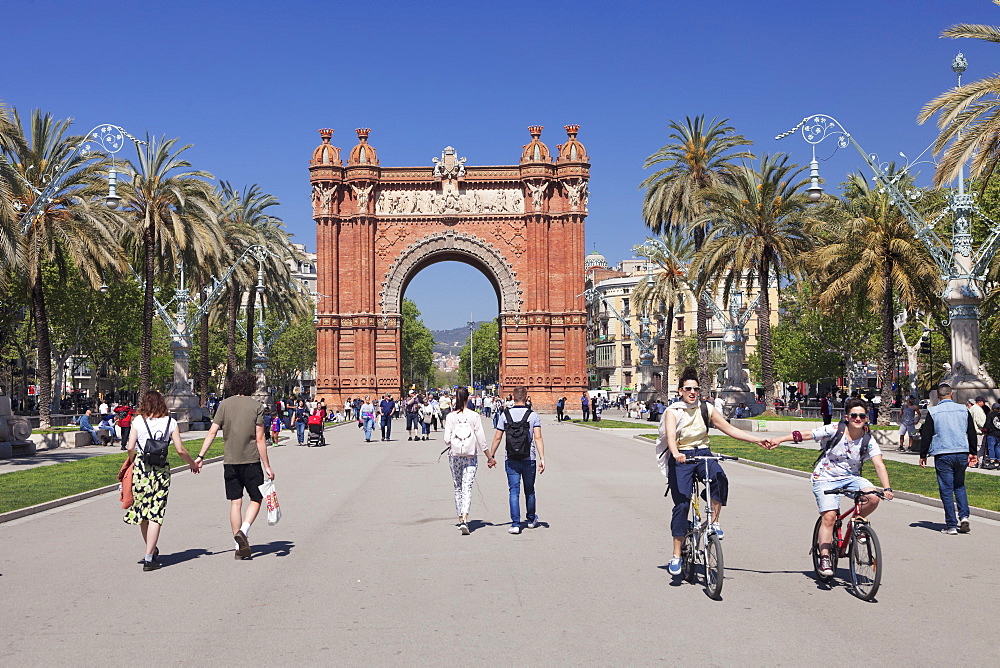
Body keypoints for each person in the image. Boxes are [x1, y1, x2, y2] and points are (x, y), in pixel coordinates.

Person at [656, 367, 773, 576]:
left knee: (720, 479)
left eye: (696, 389)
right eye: (688, 389)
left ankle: (714, 520)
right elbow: (671, 437)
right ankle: (676, 555)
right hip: (682, 456)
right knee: (682, 506)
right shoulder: (673, 411)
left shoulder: (706, 408)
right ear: (681, 391)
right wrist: (675, 453)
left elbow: (730, 429)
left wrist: (758, 440)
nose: (692, 392)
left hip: (703, 453)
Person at [769, 398, 894, 578]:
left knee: (873, 497)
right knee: (829, 517)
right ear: (847, 417)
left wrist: (887, 488)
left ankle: (857, 522)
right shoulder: (835, 430)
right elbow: (806, 435)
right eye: (854, 415)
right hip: (825, 478)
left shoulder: (868, 439)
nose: (858, 419)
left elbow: (879, 464)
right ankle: (825, 557)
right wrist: (780, 439)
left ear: (866, 418)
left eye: (862, 416)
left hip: (851, 478)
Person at [194, 370, 275, 560]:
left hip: (230, 461)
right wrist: (267, 466)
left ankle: (236, 546)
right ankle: (244, 532)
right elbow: (260, 438)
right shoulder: (257, 406)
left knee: (235, 502)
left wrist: (200, 456)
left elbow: (212, 432)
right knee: (256, 498)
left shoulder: (224, 405)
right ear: (251, 386)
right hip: (251, 460)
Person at [123, 390, 200, 571]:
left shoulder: (138, 421)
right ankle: (150, 556)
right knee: (156, 512)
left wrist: (132, 460)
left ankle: (150, 549)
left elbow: (130, 447)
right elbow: (180, 450)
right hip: (160, 471)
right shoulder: (170, 422)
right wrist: (192, 464)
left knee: (143, 512)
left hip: (142, 469)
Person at [920, 383, 978, 535]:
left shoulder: (933, 411)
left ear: (937, 396)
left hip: (943, 453)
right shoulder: (963, 409)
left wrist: (923, 455)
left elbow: (927, 435)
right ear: (951, 394)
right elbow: (971, 432)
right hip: (961, 452)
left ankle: (951, 524)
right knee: (959, 486)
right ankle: (964, 517)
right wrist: (973, 452)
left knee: (946, 489)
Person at [487, 385, 545, 534]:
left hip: (511, 457)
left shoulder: (504, 415)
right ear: (526, 398)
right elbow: (537, 437)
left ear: (512, 398)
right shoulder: (533, 416)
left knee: (514, 491)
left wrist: (491, 456)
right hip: (529, 458)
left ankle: (515, 524)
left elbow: (498, 437)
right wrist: (542, 458)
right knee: (530, 490)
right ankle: (531, 519)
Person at [444, 386, 492, 534]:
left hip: (454, 456)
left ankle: (460, 519)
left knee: (457, 487)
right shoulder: (474, 416)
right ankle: (465, 518)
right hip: (471, 456)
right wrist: (489, 457)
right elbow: (481, 439)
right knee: (467, 487)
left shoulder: (451, 417)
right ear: (468, 398)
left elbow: (446, 440)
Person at [970, 395, 989, 467]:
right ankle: (980, 462)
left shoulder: (971, 408)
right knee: (980, 448)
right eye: (983, 402)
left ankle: (974, 462)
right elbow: (981, 422)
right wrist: (986, 428)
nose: (984, 404)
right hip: (979, 432)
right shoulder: (978, 409)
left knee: (974, 447)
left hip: (972, 432)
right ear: (979, 402)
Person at [985, 402, 1000, 470]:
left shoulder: (990, 415)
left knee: (991, 448)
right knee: (998, 448)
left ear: (992, 408)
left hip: (992, 433)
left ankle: (992, 462)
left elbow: (987, 425)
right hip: (999, 434)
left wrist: (984, 430)